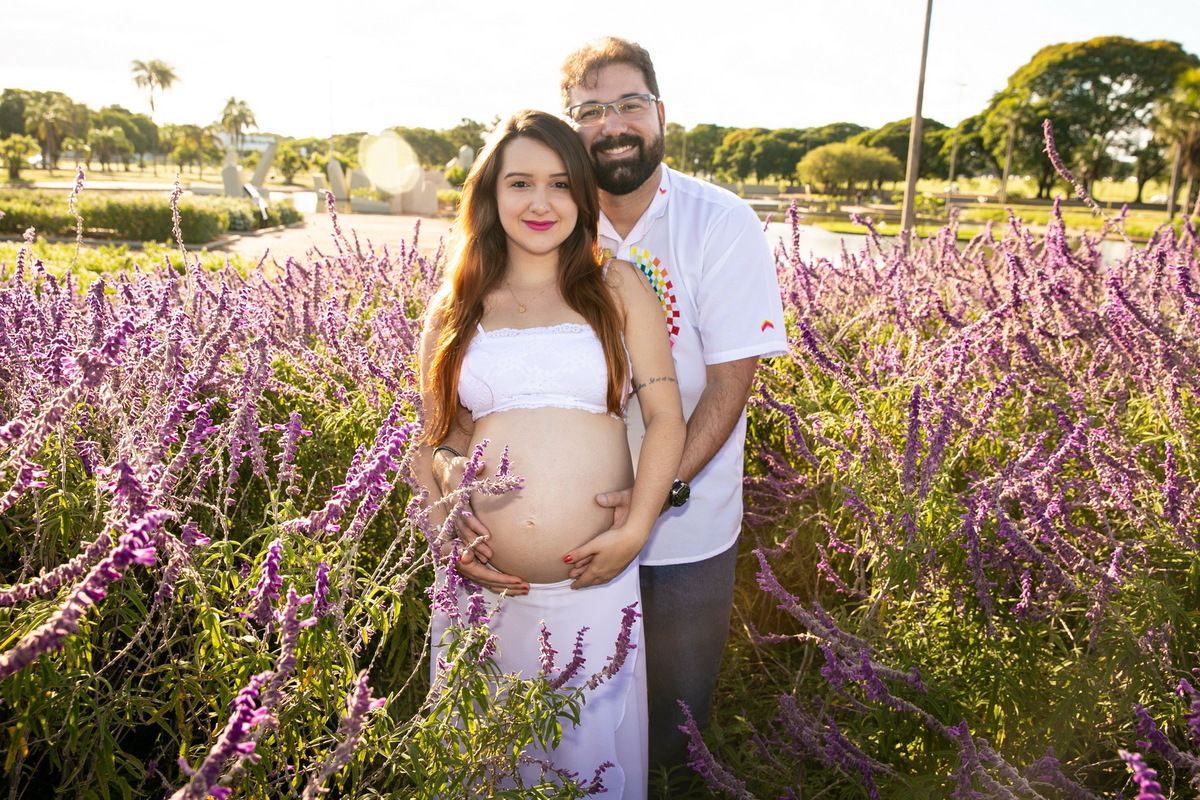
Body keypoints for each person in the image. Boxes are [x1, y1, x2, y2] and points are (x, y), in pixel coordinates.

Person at [417, 109, 685, 798]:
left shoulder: (616, 286)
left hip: (591, 586)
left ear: (584, 196)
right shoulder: (454, 307)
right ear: (490, 195)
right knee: (483, 760)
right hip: (481, 590)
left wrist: (635, 529)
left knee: (585, 763)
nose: (541, 202)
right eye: (521, 183)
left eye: (561, 184)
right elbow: (436, 438)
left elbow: (664, 418)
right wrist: (444, 499)